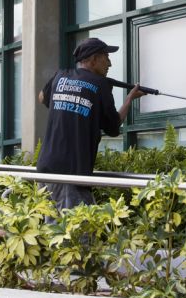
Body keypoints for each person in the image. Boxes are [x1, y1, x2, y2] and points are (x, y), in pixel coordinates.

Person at [36, 37, 145, 211]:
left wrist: (66, 104)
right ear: (93, 59)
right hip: (71, 175)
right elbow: (113, 128)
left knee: (48, 230)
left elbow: (42, 97)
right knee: (79, 233)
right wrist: (129, 99)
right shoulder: (100, 85)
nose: (109, 63)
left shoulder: (60, 75)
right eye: (106, 57)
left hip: (45, 169)